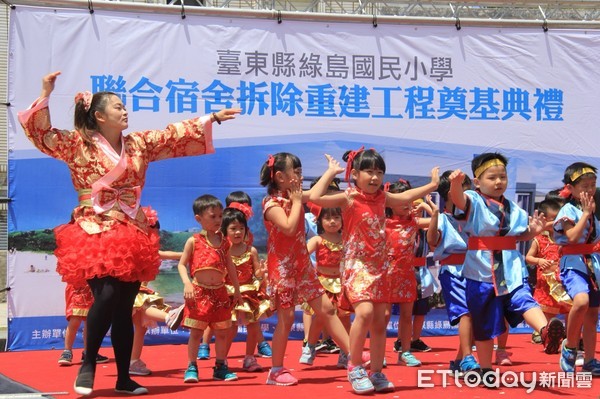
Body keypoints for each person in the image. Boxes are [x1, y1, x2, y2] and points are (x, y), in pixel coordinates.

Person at [17, 71, 240, 396]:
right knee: (105, 296)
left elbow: (171, 136)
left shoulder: (138, 144)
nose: (125, 111)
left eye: (125, 107)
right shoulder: (76, 144)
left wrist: (212, 119)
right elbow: (40, 134)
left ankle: (124, 377)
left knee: (124, 306)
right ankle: (88, 363)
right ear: (99, 115)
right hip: (93, 231)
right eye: (118, 107)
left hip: (132, 232)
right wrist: (45, 92)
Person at [309, 149, 439, 394]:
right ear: (355, 174)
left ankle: (377, 372)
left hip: (380, 266)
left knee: (380, 322)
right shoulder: (348, 197)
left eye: (379, 172)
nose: (375, 177)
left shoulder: (382, 198)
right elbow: (315, 196)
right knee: (365, 311)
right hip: (356, 264)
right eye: (369, 172)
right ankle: (355, 366)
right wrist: (331, 172)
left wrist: (431, 184)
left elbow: (406, 197)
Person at [448, 152, 565, 380]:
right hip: (481, 270)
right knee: (483, 322)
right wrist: (454, 184)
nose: (499, 181)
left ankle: (545, 332)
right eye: (492, 177)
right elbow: (458, 200)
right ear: (477, 181)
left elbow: (521, 235)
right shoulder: (473, 199)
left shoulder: (514, 208)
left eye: (502, 177)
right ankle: (485, 369)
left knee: (523, 298)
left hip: (511, 268)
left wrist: (535, 230)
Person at [259, 152, 351, 386]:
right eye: (297, 173)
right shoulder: (271, 204)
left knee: (328, 309)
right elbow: (289, 228)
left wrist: (330, 171)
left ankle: (354, 357)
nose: (300, 177)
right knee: (287, 318)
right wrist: (299, 201)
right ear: (280, 176)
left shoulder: (294, 196)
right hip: (282, 267)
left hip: (301, 264)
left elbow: (317, 195)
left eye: (301, 173)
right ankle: (276, 371)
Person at [176, 195, 242, 383]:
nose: (218, 220)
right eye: (213, 216)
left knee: (222, 332)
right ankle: (192, 366)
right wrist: (187, 283)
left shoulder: (225, 242)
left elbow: (230, 266)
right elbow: (181, 265)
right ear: (199, 219)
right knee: (196, 333)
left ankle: (220, 366)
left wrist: (237, 291)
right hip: (199, 292)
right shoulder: (193, 241)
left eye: (220, 216)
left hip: (220, 293)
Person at [426, 170, 481, 375]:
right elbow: (432, 241)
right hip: (452, 270)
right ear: (451, 193)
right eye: (462, 187)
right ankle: (467, 357)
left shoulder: (476, 217)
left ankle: (459, 360)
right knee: (465, 313)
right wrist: (433, 217)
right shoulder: (442, 218)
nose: (470, 193)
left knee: (476, 314)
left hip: (476, 268)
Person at [553, 162, 600, 375]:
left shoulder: (594, 208)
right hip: (573, 263)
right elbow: (571, 237)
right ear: (570, 189)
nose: (590, 190)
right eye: (584, 186)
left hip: (594, 264)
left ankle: (590, 360)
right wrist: (585, 215)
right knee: (581, 301)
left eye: (593, 184)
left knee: (592, 315)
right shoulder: (568, 209)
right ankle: (570, 346)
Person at [383, 180, 432, 368]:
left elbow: (437, 221)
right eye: (400, 200)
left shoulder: (414, 222)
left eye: (408, 200)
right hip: (386, 275)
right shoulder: (382, 222)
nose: (405, 204)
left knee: (406, 315)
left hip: (407, 274)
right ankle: (377, 352)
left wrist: (430, 208)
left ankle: (405, 352)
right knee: (384, 315)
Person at [221, 201, 271, 373]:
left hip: (249, 294)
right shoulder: (223, 251)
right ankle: (222, 360)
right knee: (231, 328)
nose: (238, 232)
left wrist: (262, 272)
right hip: (231, 295)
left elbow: (256, 272)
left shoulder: (251, 251)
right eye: (233, 228)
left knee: (254, 326)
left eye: (241, 228)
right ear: (225, 231)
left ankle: (249, 358)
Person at [305, 205, 350, 367]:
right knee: (320, 318)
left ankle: (346, 353)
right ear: (319, 221)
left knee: (345, 318)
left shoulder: (346, 238)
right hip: (322, 284)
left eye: (336, 218)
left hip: (341, 284)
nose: (332, 222)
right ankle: (310, 346)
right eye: (328, 218)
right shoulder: (317, 240)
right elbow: (303, 256)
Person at [525, 199, 571, 347]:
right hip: (546, 284)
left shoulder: (566, 239)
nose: (556, 224)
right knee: (548, 312)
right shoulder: (539, 240)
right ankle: (543, 333)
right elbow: (528, 257)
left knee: (569, 309)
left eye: (559, 220)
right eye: (553, 220)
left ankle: (570, 336)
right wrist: (539, 261)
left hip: (563, 282)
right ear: (544, 220)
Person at [57, 283, 109, 367]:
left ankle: (88, 353)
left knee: (90, 321)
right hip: (76, 285)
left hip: (92, 287)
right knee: (75, 319)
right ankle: (67, 352)